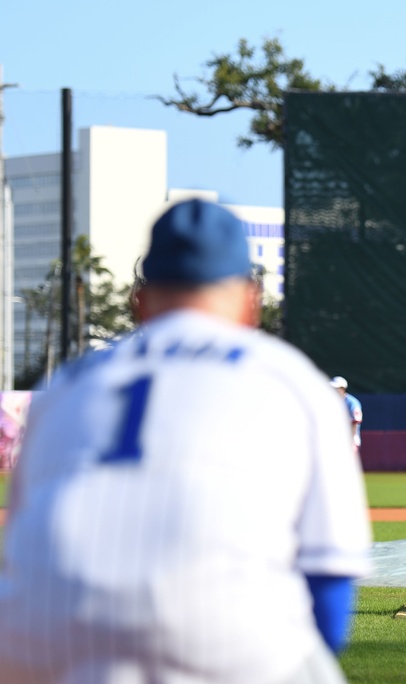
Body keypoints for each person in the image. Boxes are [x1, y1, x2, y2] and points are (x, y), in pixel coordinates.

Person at [0, 199, 372, 684]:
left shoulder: (65, 387)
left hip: (32, 641)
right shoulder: (292, 380)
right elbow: (331, 594)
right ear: (250, 299)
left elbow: (21, 541)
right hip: (219, 639)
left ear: (140, 300)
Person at [331, 375, 363, 453]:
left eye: (336, 388)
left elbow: (355, 422)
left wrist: (350, 440)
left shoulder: (352, 403)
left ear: (343, 389)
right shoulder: (331, 401)